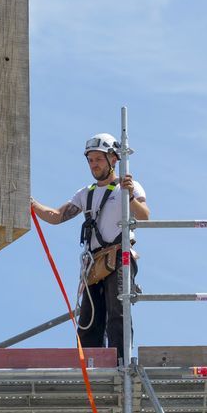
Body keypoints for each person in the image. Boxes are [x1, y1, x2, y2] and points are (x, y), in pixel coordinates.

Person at [31, 133, 150, 359]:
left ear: (113, 159)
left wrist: (129, 196)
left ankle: (120, 362)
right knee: (88, 320)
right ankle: (90, 365)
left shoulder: (128, 186)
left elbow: (145, 216)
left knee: (117, 312)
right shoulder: (86, 194)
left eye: (99, 159)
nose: (94, 164)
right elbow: (57, 216)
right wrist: (32, 204)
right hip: (95, 264)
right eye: (91, 160)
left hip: (119, 256)